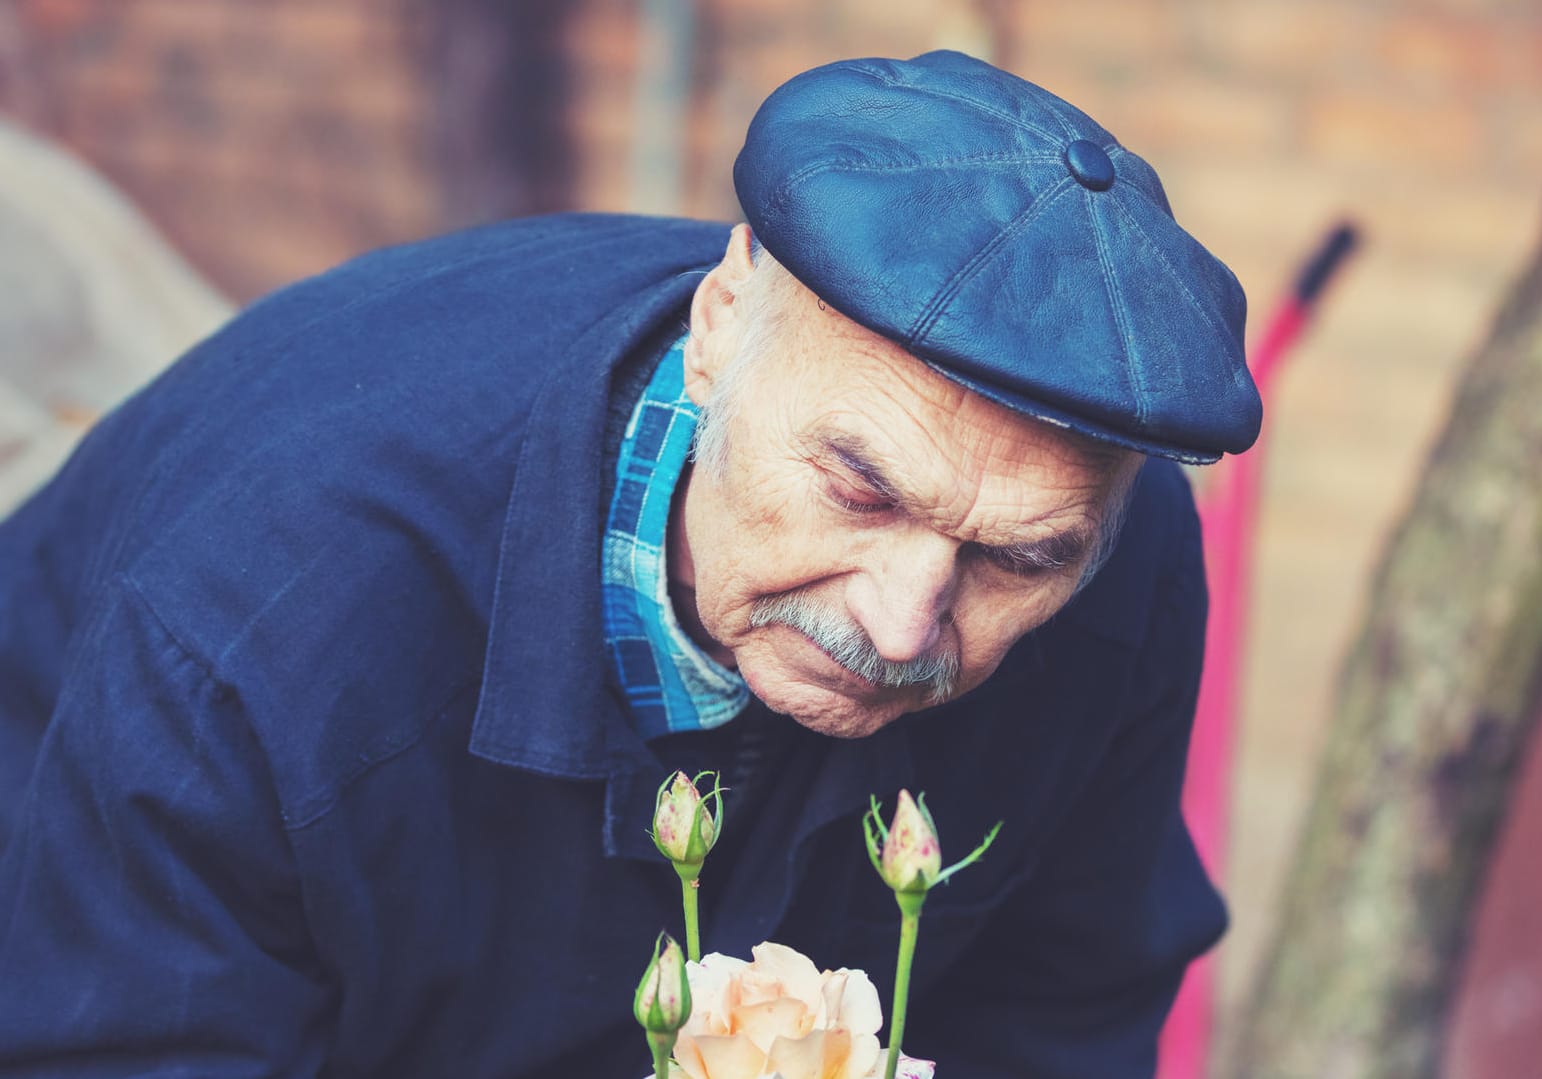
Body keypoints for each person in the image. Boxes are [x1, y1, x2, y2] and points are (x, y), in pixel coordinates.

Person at [0, 51, 1260, 1078]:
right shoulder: (275, 606)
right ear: (722, 326)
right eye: (862, 487)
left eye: (1013, 560)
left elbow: (1064, 1013)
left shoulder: (1116, 555)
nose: (903, 621)